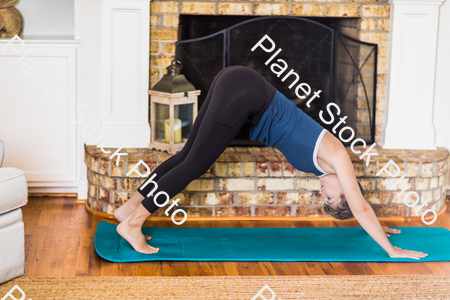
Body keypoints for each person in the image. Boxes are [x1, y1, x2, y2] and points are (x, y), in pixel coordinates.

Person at [113, 65, 428, 260]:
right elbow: (360, 207)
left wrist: (378, 228)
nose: (322, 194)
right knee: (195, 165)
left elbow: (360, 209)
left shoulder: (326, 168)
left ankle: (128, 208)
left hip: (239, 85)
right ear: (346, 189)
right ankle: (134, 223)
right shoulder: (339, 157)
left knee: (186, 158)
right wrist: (390, 249)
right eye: (330, 197)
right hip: (246, 92)